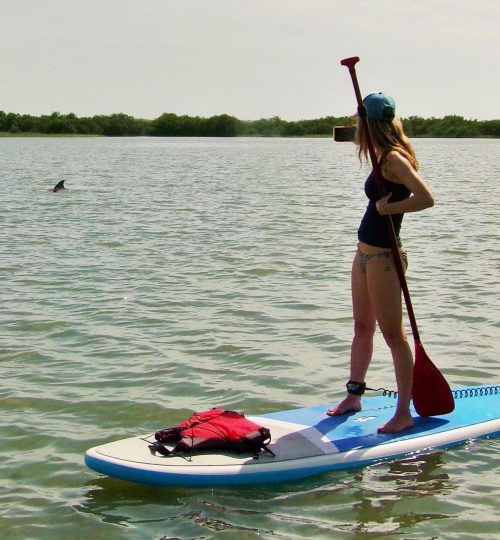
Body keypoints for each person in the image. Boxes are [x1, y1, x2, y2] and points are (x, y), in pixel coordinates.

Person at [327, 92, 435, 433]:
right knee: (361, 327)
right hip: (364, 255)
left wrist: (389, 209)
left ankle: (403, 412)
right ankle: (353, 395)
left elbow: (426, 198)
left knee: (393, 335)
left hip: (386, 258)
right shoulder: (375, 150)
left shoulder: (392, 159)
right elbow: (344, 132)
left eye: (362, 122)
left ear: (372, 124)